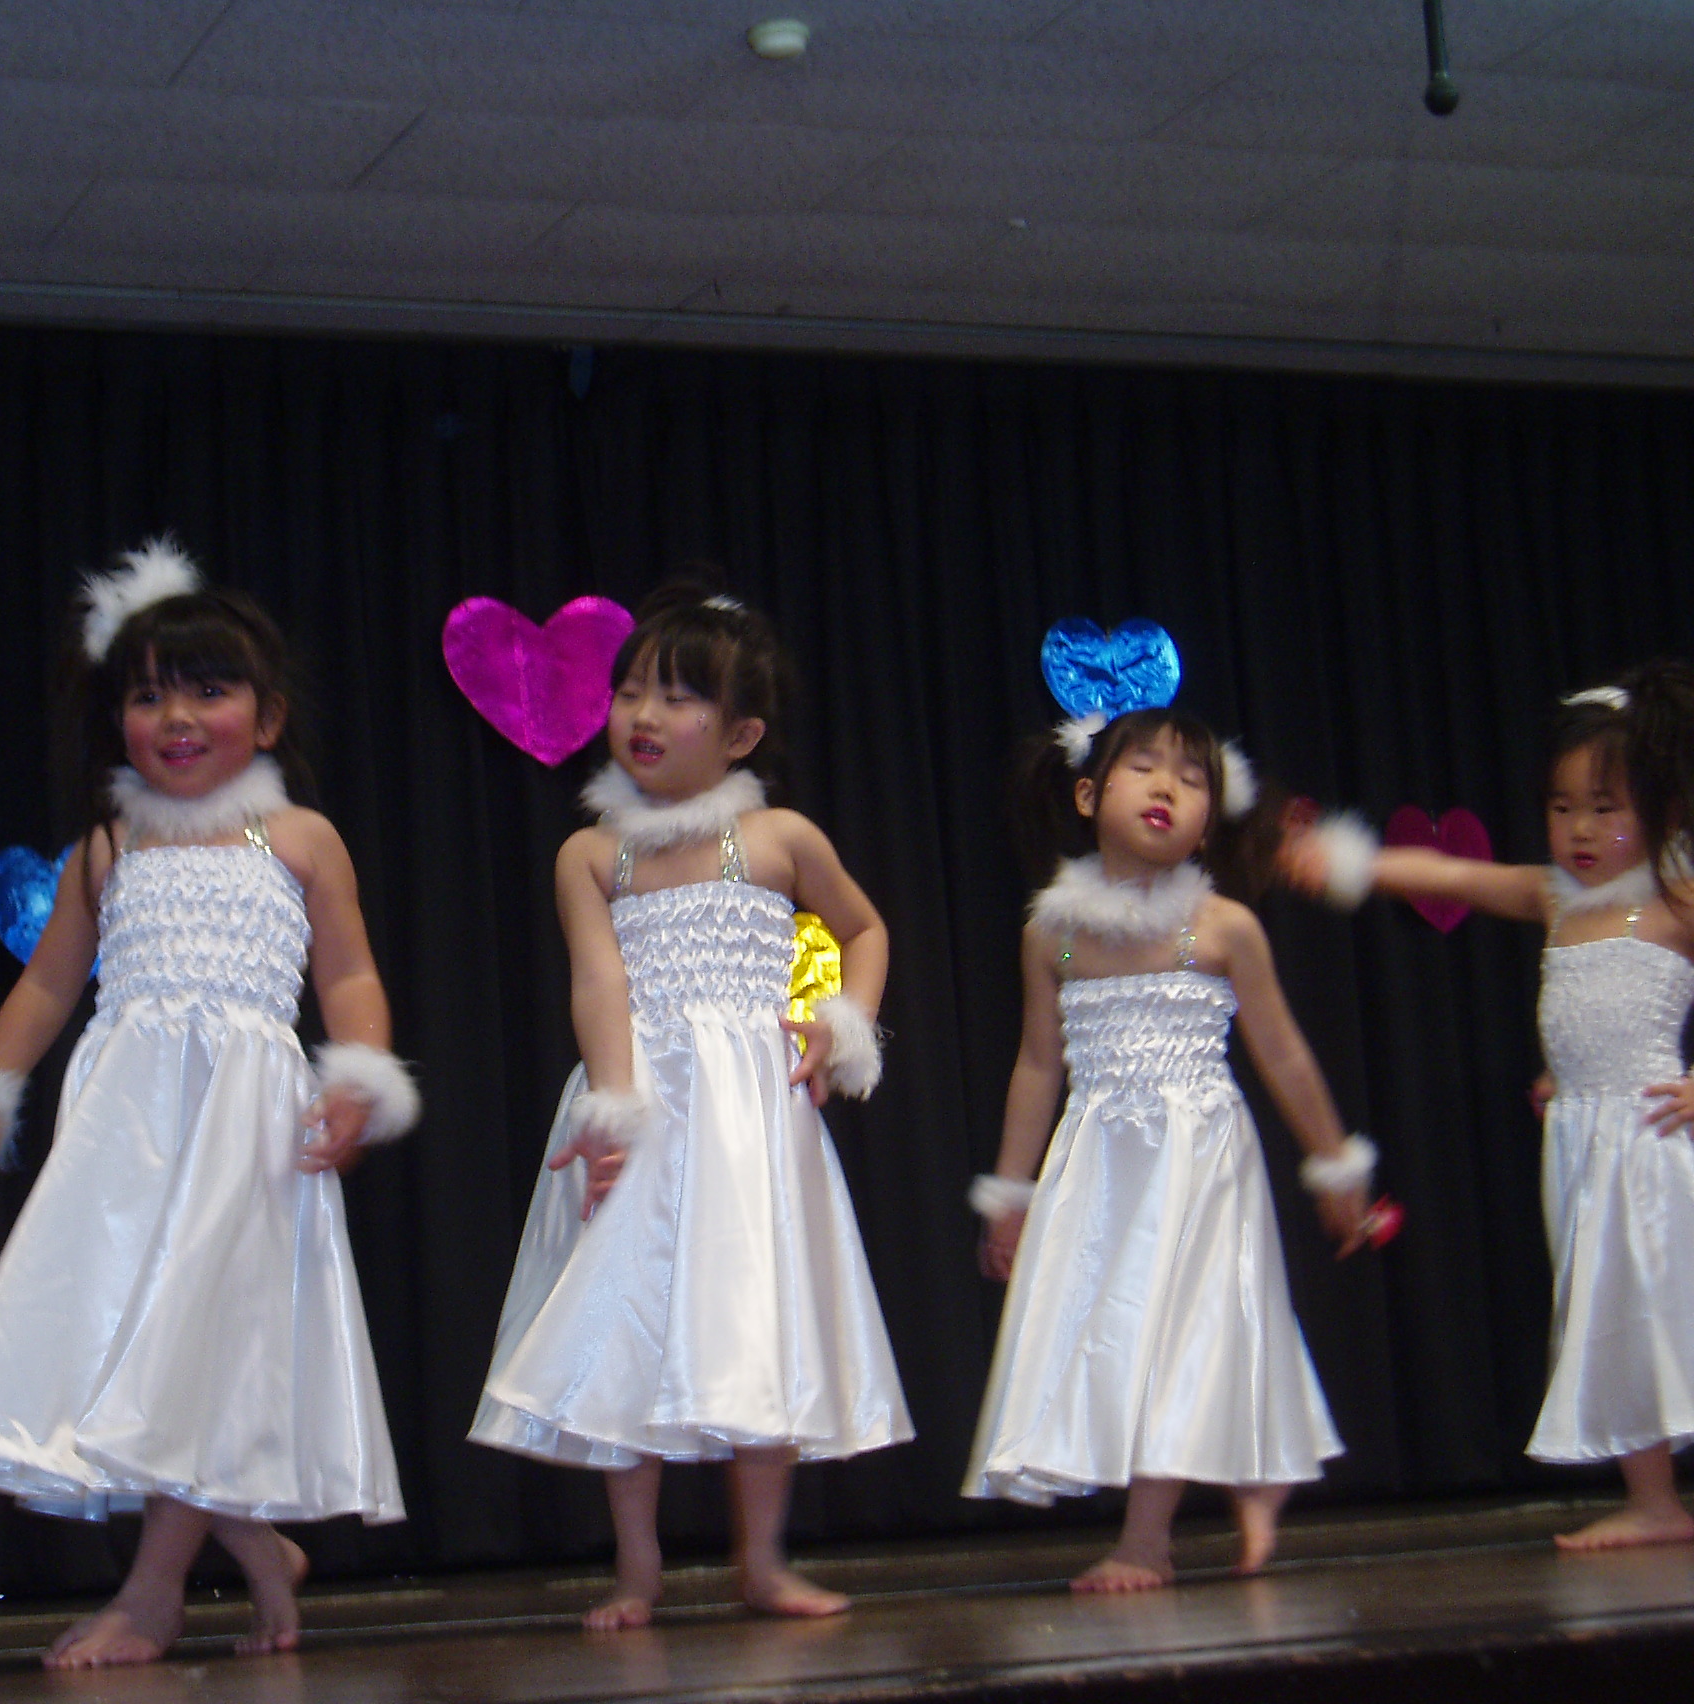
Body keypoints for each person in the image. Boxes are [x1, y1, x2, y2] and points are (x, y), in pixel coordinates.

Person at [0, 541, 413, 1664]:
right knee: (139, 1347)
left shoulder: (298, 839)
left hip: (246, 1128)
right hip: (128, 1132)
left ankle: (152, 1595)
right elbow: (46, 985)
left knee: (196, 1343)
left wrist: (358, 1078)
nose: (175, 716)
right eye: (146, 696)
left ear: (268, 719)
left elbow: (350, 976)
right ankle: (258, 1551)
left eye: (206, 690)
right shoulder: (108, 847)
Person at [472, 585, 910, 1630]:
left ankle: (762, 1560)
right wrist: (614, 1108)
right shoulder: (593, 853)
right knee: (622, 1321)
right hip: (641, 1098)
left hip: (750, 1116)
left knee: (760, 1320)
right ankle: (638, 1566)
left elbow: (863, 930)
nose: (645, 715)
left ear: (741, 733)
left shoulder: (778, 838)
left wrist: (840, 1024)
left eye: (678, 698)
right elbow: (598, 983)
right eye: (631, 692)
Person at [1283, 664, 1694, 1552]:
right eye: (1562, 807)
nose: (1579, 830)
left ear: (1663, 810)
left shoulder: (1675, 901)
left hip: (1656, 1140)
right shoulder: (1554, 897)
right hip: (1583, 1146)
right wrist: (1350, 861)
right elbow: (1448, 873)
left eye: (1606, 809)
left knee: (1676, 1305)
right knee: (1613, 1314)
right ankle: (1656, 1500)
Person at [965, 704, 1371, 1592]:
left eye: (1192, 780)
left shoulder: (1223, 927)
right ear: (1088, 794)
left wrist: (1335, 1164)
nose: (1168, 788)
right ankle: (1259, 1469)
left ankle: (1148, 1537)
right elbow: (1038, 1064)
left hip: (1199, 1152)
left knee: (1189, 1324)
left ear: (1209, 820)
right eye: (1146, 768)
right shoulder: (1051, 934)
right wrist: (1011, 1193)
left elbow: (1285, 1054)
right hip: (1101, 1158)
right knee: (1126, 1329)